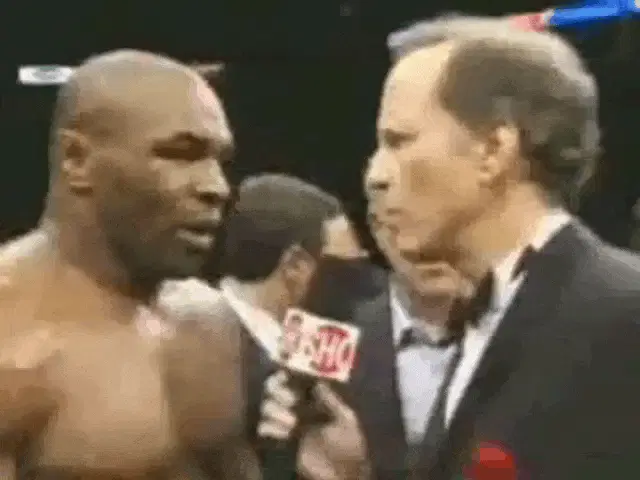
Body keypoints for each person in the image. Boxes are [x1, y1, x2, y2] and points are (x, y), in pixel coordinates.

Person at [262, 14, 640, 480]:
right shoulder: (484, 315)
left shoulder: (624, 315)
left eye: (398, 141)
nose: (375, 176)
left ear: (493, 151)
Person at [0, 49, 259, 480]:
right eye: (180, 153)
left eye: (220, 161)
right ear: (77, 160)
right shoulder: (9, 337)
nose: (217, 187)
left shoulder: (212, 321)